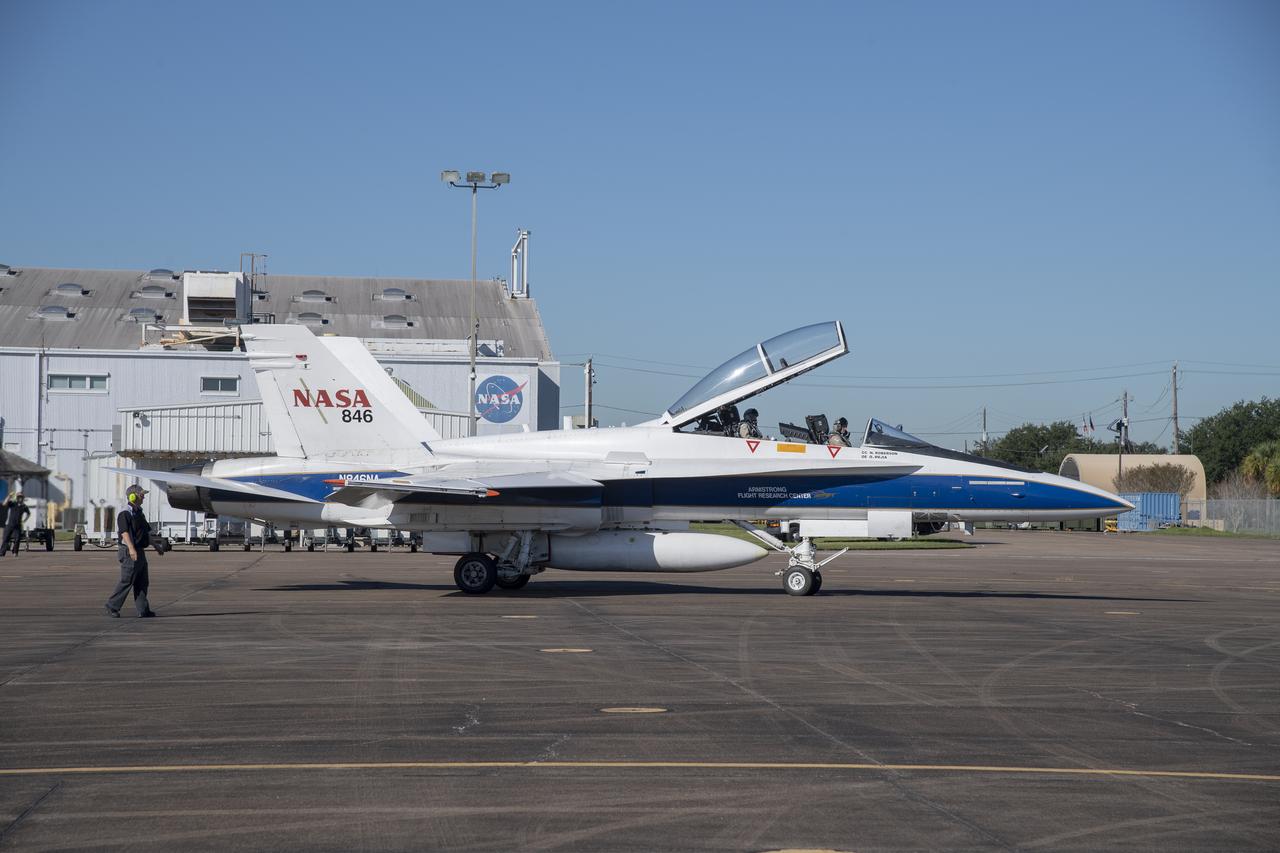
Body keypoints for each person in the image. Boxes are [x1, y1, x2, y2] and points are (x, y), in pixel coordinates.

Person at [105, 484, 162, 618]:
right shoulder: (125, 513)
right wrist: (131, 549)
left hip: (139, 550)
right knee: (127, 580)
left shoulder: (139, 512)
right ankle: (112, 606)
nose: (143, 498)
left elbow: (145, 532)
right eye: (142, 495)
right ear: (133, 496)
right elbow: (124, 532)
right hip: (129, 551)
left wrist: (156, 545)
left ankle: (143, 610)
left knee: (142, 581)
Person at [2, 491, 30, 556]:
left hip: (17, 525)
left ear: (23, 498)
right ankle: (2, 552)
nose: (20, 498)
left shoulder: (24, 506)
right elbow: (4, 504)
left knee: (17, 539)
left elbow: (28, 514)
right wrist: (9, 496)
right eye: (19, 497)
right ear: (17, 498)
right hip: (9, 525)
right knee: (6, 539)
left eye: (21, 497)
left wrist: (24, 520)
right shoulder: (13, 504)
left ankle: (15, 552)